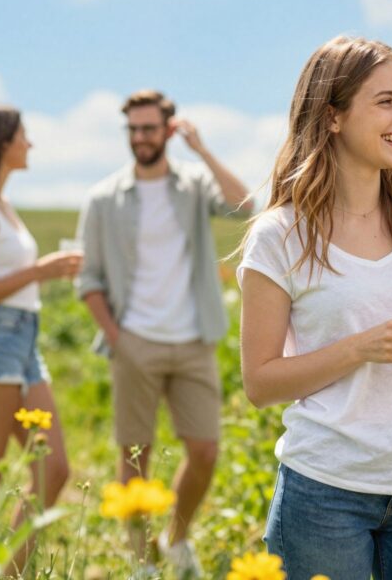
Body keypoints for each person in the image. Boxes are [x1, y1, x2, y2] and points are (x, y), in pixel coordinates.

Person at [238, 36, 392, 580]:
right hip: (326, 492)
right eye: (386, 101)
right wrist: (359, 349)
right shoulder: (280, 236)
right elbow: (260, 384)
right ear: (333, 116)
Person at [76, 90, 250, 577]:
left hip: (195, 339)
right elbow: (88, 279)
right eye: (133, 129)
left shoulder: (193, 184)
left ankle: (176, 539)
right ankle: (141, 561)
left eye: (149, 128)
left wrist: (203, 150)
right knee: (136, 455)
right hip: (134, 342)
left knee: (205, 452)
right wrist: (116, 337)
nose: (140, 138)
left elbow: (244, 205)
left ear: (168, 130)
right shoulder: (104, 198)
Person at [0, 104, 80, 565]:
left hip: (23, 341)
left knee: (54, 469)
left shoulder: (2, 206)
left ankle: (6, 574)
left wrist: (41, 273)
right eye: (23, 135)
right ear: (0, 143)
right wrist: (39, 271)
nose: (30, 144)